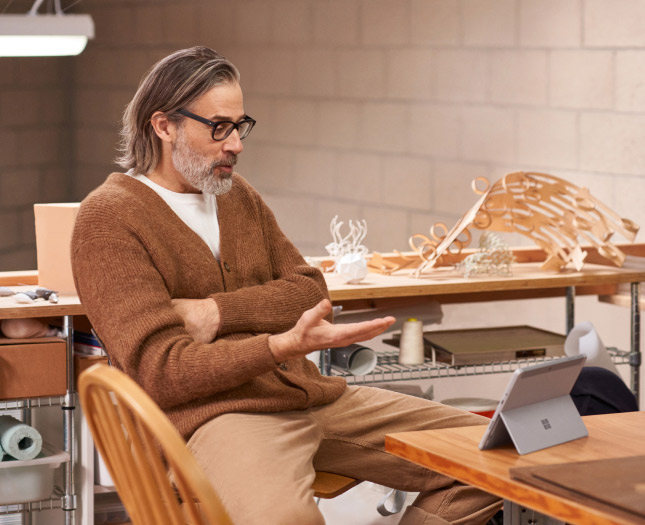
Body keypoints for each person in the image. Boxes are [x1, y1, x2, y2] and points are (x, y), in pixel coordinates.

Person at [71, 46, 501, 524]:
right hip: (216, 417)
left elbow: (310, 291)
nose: (235, 144)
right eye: (219, 127)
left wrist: (218, 313)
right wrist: (277, 345)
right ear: (164, 126)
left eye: (240, 126)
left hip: (308, 396)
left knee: (496, 457)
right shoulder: (108, 218)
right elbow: (164, 372)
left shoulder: (237, 196)